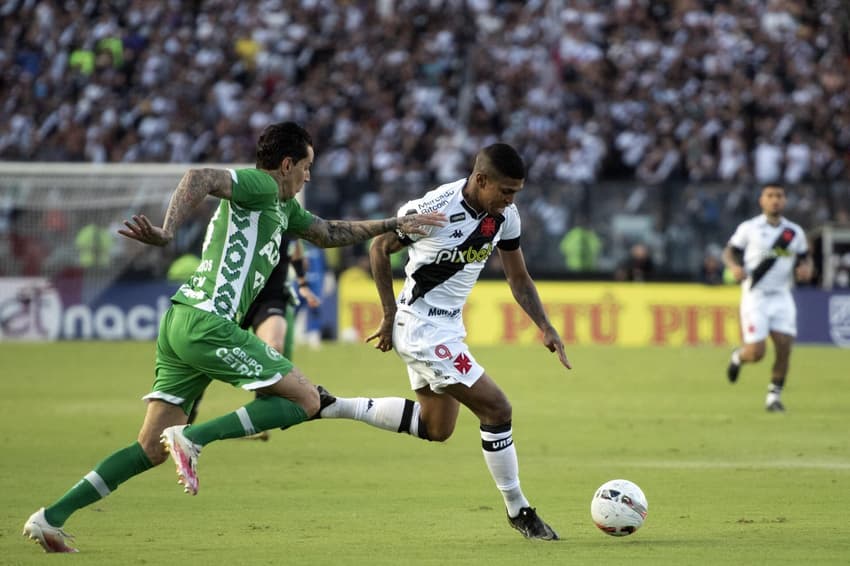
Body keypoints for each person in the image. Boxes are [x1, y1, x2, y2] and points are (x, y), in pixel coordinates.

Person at [22, 121, 445, 553]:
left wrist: (396, 223)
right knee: (305, 400)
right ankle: (194, 438)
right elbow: (199, 177)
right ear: (286, 165)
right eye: (306, 166)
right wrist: (168, 232)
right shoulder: (260, 185)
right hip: (209, 322)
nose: (309, 176)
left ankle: (50, 518)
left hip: (181, 322)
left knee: (149, 449)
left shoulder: (282, 208)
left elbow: (328, 232)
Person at [314, 143, 571, 540]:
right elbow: (379, 247)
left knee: (437, 428)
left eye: (516, 193)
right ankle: (519, 510)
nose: (510, 200)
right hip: (420, 328)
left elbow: (518, 278)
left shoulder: (505, 217)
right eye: (505, 191)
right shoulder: (435, 209)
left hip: (447, 330)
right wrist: (387, 314)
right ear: (481, 180)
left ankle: (331, 405)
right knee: (497, 409)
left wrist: (545, 325)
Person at [186, 238, 321, 442]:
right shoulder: (244, 214)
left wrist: (302, 283)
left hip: (272, 297)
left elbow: (297, 250)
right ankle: (185, 417)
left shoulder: (288, 213)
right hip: (238, 297)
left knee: (274, 347)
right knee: (206, 357)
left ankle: (259, 423)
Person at [722, 184, 812, 412]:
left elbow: (805, 258)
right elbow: (729, 252)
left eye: (779, 196)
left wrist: (806, 269)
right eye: (770, 196)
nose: (775, 200)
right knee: (756, 353)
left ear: (785, 201)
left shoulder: (794, 232)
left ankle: (774, 397)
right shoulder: (749, 228)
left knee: (784, 347)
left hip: (782, 296)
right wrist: (734, 267)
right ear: (762, 200)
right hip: (756, 296)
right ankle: (738, 357)